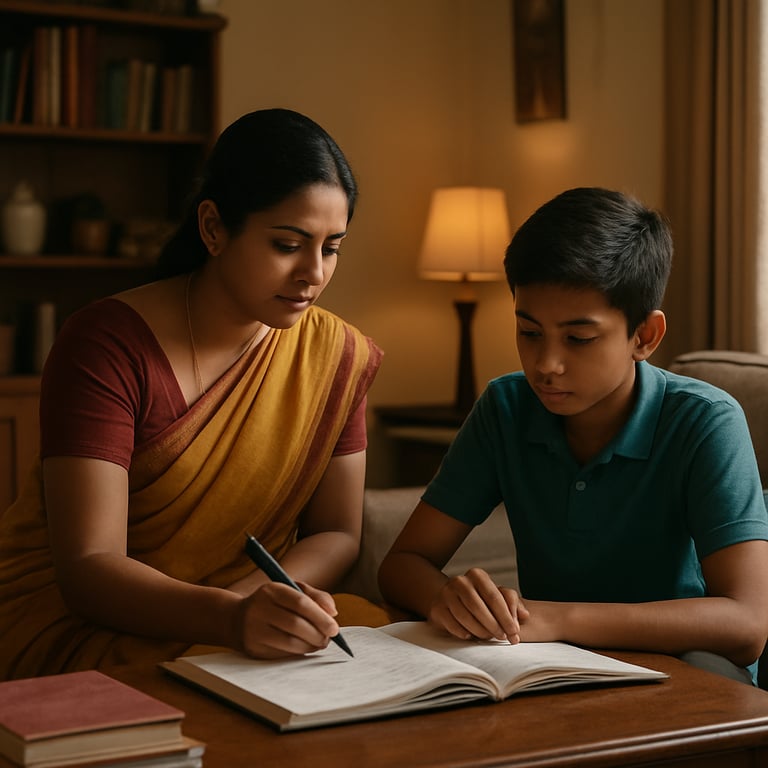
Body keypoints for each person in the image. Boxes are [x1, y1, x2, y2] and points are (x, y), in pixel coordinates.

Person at [0, 108, 384, 680]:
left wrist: (260, 604)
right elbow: (89, 567)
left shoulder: (336, 355)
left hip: (242, 615)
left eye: (331, 248)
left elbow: (336, 532)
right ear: (213, 228)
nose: (314, 273)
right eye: (287, 244)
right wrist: (230, 618)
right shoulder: (106, 343)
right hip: (92, 621)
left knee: (383, 647)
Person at [379, 186, 768, 684]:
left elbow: (747, 624)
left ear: (644, 336)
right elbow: (402, 564)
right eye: (530, 332)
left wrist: (556, 618)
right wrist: (446, 596)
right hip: (550, 664)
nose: (547, 365)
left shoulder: (704, 421)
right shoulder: (506, 408)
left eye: (578, 339)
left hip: (684, 665)